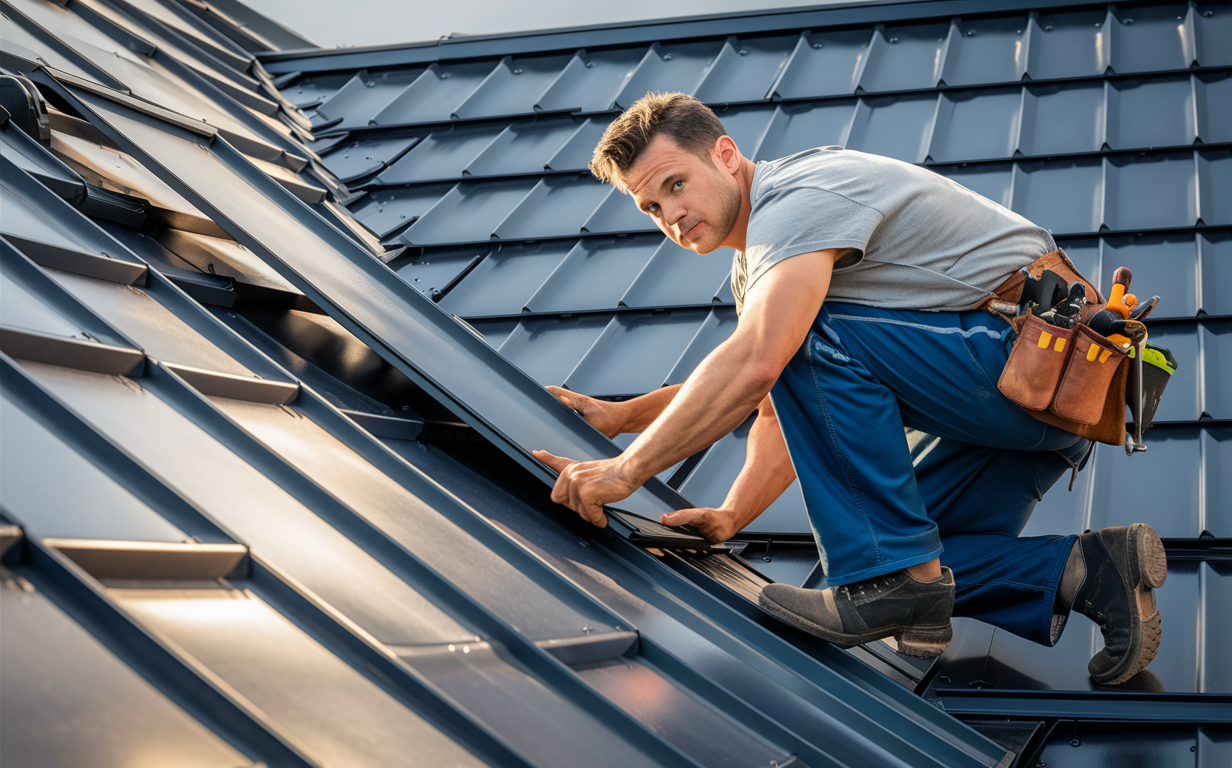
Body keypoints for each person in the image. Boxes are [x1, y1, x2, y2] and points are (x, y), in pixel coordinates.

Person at [532, 92, 1165, 685]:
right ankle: (1091, 571)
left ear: (724, 156)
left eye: (676, 185)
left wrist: (625, 470)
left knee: (882, 553)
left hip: (1037, 370)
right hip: (1042, 401)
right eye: (651, 207)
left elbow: (763, 362)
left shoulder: (797, 200)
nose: (671, 215)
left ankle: (896, 582)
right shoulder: (764, 262)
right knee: (926, 554)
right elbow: (783, 405)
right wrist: (731, 515)